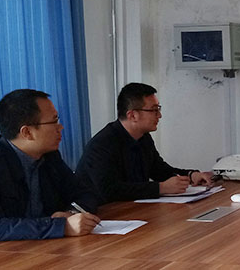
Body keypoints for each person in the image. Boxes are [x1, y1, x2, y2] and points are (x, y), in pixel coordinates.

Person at [0, 89, 100, 241]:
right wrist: (59, 227)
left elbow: (86, 194)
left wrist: (70, 214)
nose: (60, 127)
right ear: (27, 132)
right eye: (54, 122)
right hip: (6, 252)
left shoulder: (49, 155)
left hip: (46, 245)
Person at [75, 83, 213, 204]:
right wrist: (161, 188)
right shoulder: (101, 145)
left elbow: (159, 170)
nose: (159, 115)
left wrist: (190, 176)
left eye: (159, 109)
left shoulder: (143, 137)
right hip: (103, 214)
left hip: (134, 208)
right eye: (154, 110)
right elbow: (110, 190)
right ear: (132, 115)